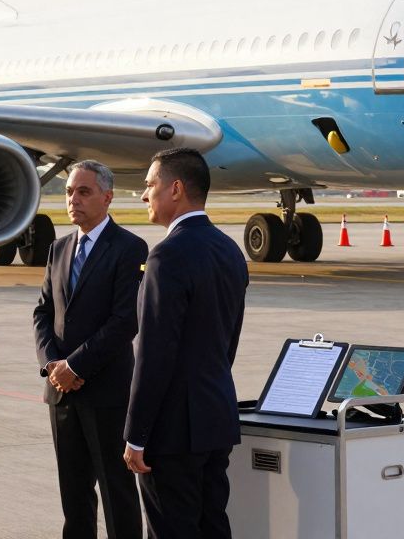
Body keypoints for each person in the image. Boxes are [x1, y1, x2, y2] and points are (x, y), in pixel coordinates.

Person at [123, 148, 248, 538]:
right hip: (216, 418)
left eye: (150, 185)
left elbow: (154, 355)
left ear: (175, 189)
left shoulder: (167, 255)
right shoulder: (230, 250)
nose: (144, 195)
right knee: (213, 526)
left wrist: (136, 435)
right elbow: (228, 343)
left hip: (174, 431)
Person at [33, 160, 148, 539]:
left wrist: (77, 366)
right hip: (62, 393)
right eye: (69, 192)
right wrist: (54, 364)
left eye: (83, 192)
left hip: (106, 393)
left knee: (117, 493)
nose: (73, 200)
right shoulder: (58, 249)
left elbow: (124, 321)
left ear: (107, 197)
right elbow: (43, 312)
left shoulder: (129, 248)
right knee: (74, 495)